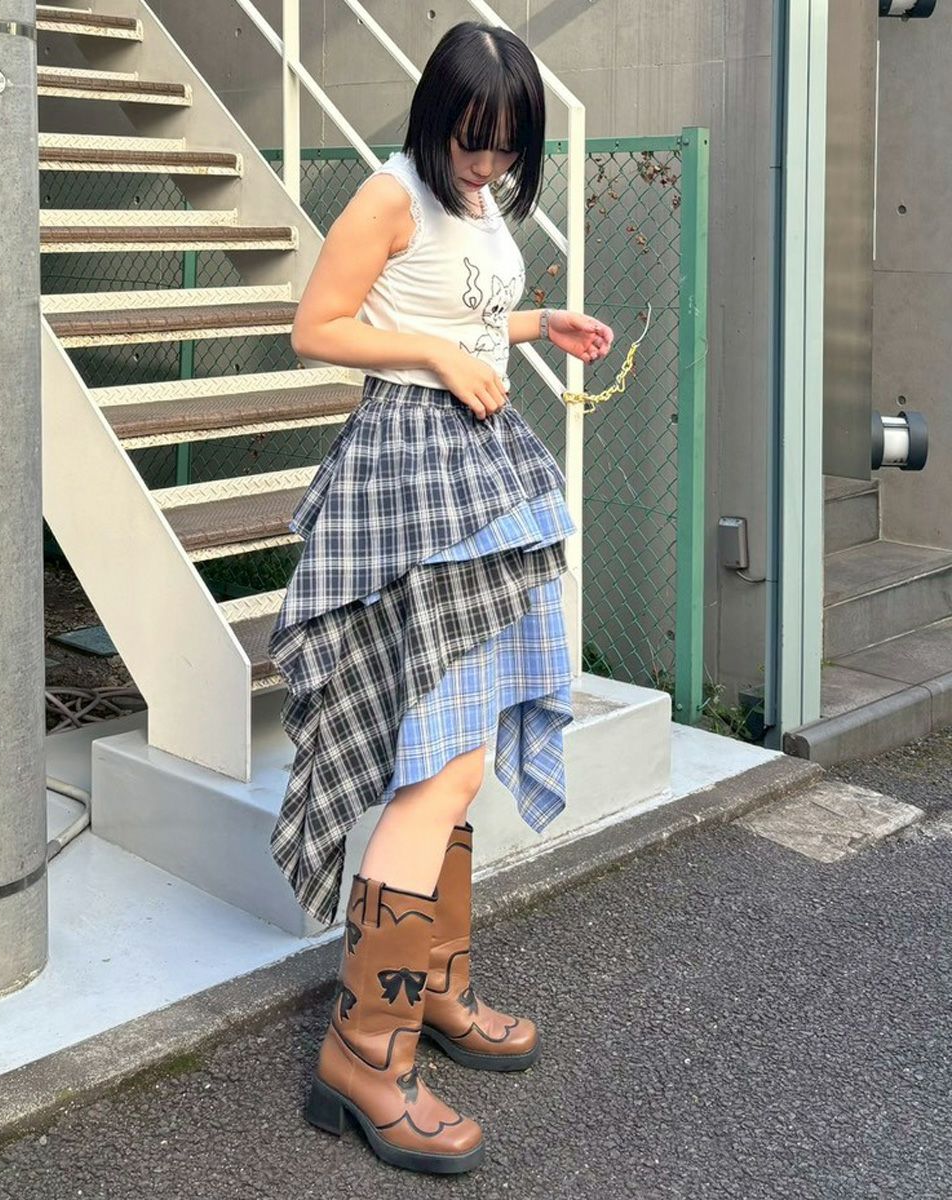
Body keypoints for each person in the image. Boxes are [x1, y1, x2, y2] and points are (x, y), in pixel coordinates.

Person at [266, 20, 614, 1176]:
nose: (490, 165)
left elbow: (458, 313)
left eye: (509, 148)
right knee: (439, 765)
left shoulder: (472, 202)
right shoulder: (390, 192)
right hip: (413, 484)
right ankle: (365, 1052)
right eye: (474, 142)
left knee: (458, 757)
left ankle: (434, 992)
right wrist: (436, 358)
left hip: (480, 476)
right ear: (436, 120)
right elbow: (318, 326)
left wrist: (534, 326)